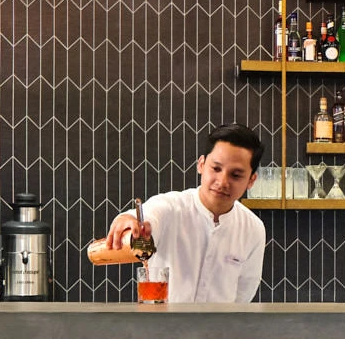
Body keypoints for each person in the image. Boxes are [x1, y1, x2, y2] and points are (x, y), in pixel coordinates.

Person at [105, 125, 267, 303]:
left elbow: (244, 292)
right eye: (216, 169)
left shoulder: (253, 228)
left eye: (235, 175)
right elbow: (149, 215)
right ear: (201, 165)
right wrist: (129, 219)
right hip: (159, 326)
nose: (222, 182)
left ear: (251, 180)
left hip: (221, 329)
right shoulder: (171, 207)